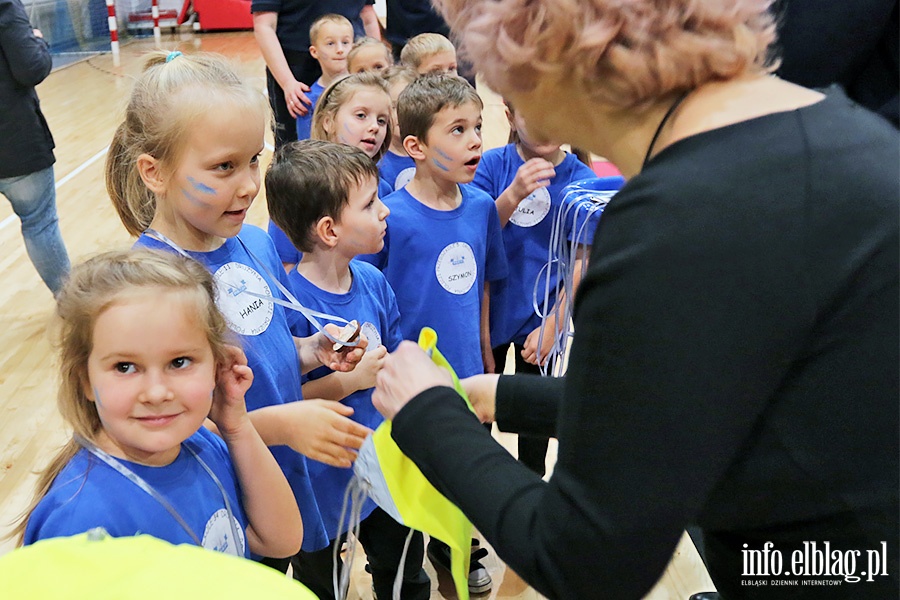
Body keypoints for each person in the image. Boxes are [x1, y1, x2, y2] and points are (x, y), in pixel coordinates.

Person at [372, 0, 900, 598]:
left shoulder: (670, 226)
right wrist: (513, 395)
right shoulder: (848, 133)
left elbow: (584, 558)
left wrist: (427, 413)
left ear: (542, 56)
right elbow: (700, 400)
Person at [105, 51, 373, 572]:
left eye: (254, 159)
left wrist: (311, 352)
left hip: (284, 480)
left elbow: (251, 364)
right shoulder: (150, 285)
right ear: (154, 173)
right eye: (224, 167)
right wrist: (281, 425)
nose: (250, 184)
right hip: (227, 506)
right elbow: (169, 426)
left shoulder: (253, 241)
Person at [12, 249, 302, 562]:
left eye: (179, 362)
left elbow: (280, 540)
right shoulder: (79, 523)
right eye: (125, 367)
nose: (156, 392)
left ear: (217, 367)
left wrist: (237, 425)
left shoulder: (200, 444)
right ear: (85, 380)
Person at [359, 73, 508, 595]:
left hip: (466, 377)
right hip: (408, 385)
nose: (475, 141)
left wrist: (487, 350)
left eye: (478, 127)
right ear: (416, 146)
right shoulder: (390, 219)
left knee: (460, 481)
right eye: (458, 129)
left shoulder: (482, 207)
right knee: (408, 493)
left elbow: (484, 285)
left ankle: (456, 551)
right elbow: (367, 295)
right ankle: (404, 572)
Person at [266, 139, 430, 600]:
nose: (385, 211)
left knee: (404, 572)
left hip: (383, 464)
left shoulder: (374, 282)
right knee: (324, 583)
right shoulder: (291, 308)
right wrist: (350, 381)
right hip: (319, 480)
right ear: (329, 230)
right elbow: (283, 403)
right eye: (370, 203)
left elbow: (394, 352)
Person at [471, 102, 596, 477]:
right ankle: (473, 510)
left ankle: (528, 511)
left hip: (541, 320)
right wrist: (514, 193)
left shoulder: (581, 176)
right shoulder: (492, 165)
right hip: (487, 314)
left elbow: (582, 259)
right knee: (477, 417)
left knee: (533, 425)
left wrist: (556, 323)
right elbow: (476, 233)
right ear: (509, 117)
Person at [269, 70, 394, 269]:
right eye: (361, 115)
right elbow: (285, 265)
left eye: (382, 120)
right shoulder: (299, 186)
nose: (374, 127)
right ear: (328, 121)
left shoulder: (383, 191)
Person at [0, 0, 70, 295]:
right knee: (40, 223)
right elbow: (30, 68)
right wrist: (39, 43)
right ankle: (71, 305)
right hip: (13, 139)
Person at [251, 0, 382, 148]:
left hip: (354, 68)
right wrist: (287, 82)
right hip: (297, 74)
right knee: (296, 151)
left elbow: (367, 15)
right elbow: (264, 25)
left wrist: (376, 61)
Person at [295, 14, 354, 142]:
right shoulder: (308, 101)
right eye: (330, 43)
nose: (340, 49)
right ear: (314, 52)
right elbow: (306, 146)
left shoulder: (362, 89)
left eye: (345, 42)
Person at [377, 66, 418, 192]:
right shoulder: (377, 160)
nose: (401, 113)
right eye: (394, 107)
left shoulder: (431, 152)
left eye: (410, 105)